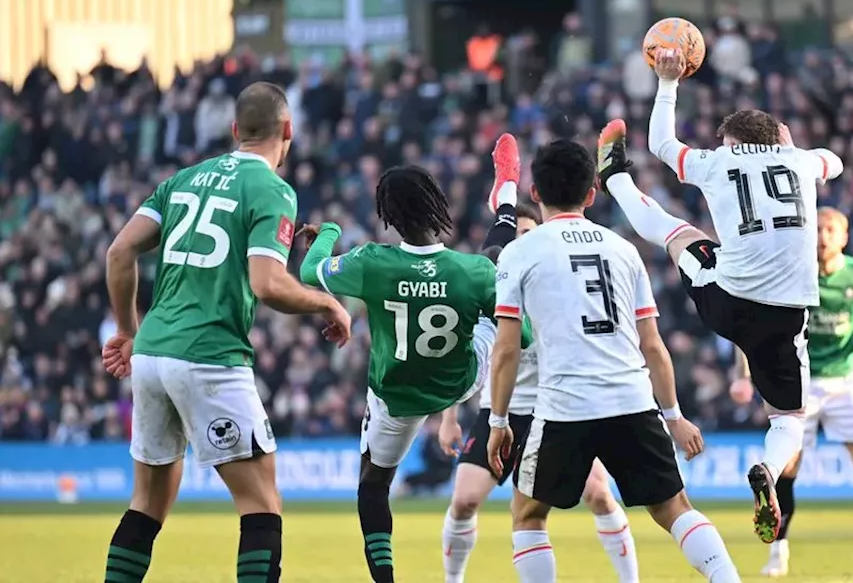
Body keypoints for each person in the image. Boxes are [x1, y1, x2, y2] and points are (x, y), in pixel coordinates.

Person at [99, 81, 353, 583]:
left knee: (147, 504)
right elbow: (268, 284)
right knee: (261, 501)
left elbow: (118, 252)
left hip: (151, 355)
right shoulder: (272, 189)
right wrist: (329, 303)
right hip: (210, 355)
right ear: (289, 131)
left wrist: (129, 330)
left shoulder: (182, 180)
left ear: (236, 130)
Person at [597, 47, 843, 543]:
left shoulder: (715, 162)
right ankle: (769, 472)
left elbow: (662, 142)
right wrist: (790, 146)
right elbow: (834, 162)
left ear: (733, 141)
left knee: (676, 233)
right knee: (790, 420)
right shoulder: (801, 161)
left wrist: (668, 83)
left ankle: (614, 179)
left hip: (728, 300)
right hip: (787, 314)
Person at [486, 139, 741, 583]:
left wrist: (498, 420)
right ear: (591, 194)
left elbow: (507, 348)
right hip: (632, 399)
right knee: (673, 508)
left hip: (564, 405)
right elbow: (652, 344)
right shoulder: (623, 250)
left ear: (535, 193)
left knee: (527, 513)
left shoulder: (518, 252)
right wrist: (674, 416)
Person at [295, 134, 531, 583]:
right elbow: (522, 337)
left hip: (395, 394)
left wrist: (326, 232)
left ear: (389, 218)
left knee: (373, 486)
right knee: (497, 260)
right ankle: (506, 197)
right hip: (460, 380)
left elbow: (309, 271)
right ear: (435, 205)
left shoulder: (371, 262)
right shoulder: (469, 270)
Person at [438, 162, 641, 583]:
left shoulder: (559, 283)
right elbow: (471, 353)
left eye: (528, 236)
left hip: (558, 408)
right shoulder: (492, 285)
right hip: (503, 409)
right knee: (463, 501)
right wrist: (449, 415)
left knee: (599, 495)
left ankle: (630, 579)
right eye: (516, 238)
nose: (521, 246)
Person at [734, 207, 853, 576]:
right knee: (790, 463)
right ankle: (778, 552)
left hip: (846, 379)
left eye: (830, 230)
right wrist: (743, 373)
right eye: (817, 229)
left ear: (844, 236)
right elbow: (750, 325)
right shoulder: (792, 271)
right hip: (799, 381)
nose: (822, 236)